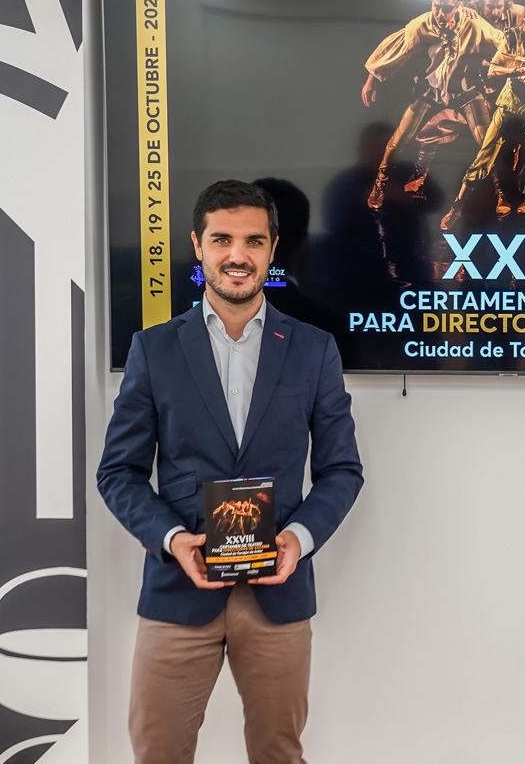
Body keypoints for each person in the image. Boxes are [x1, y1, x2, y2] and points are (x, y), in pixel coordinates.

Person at [97, 180, 364, 764]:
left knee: (278, 754)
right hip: (178, 588)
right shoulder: (154, 350)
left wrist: (298, 539)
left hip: (277, 592)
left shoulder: (314, 348)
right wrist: (173, 539)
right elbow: (118, 472)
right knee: (158, 754)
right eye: (222, 240)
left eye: (253, 241)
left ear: (273, 249)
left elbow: (343, 470)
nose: (237, 255)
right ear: (198, 245)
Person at [441, 0, 525, 231]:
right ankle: (456, 207)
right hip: (510, 102)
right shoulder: (513, 36)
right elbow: (493, 70)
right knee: (484, 156)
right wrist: (517, 71)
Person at [361, 0, 503, 208]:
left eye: (446, 8)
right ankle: (379, 185)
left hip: (467, 91)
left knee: (487, 141)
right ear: (432, 4)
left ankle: (502, 191)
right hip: (432, 90)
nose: (440, 13)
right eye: (437, 7)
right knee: (399, 138)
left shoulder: (475, 26)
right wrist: (371, 80)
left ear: (457, 6)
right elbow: (395, 48)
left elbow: (503, 46)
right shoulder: (422, 25)